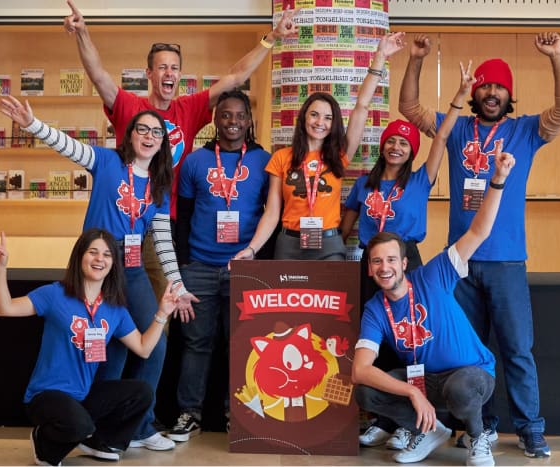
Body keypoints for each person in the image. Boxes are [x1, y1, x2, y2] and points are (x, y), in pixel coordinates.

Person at [398, 32, 560, 458]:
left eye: (500, 86)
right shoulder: (456, 127)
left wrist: (557, 58)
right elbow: (410, 109)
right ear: (474, 91)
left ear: (509, 95)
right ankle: (483, 426)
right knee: (467, 352)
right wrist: (417, 59)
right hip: (460, 262)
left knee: (516, 349)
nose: (491, 92)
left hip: (507, 262)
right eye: (485, 85)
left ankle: (531, 429)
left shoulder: (525, 131)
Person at [63, 0, 298, 304]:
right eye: (162, 67)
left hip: (163, 221)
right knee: (109, 300)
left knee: (165, 302)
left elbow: (235, 78)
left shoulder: (189, 108)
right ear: (149, 73)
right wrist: (83, 33)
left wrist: (272, 37)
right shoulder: (129, 106)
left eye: (174, 68)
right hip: (123, 220)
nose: (168, 73)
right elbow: (98, 75)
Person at [0, 96, 198, 451]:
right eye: (143, 129)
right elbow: (68, 146)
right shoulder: (107, 161)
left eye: (157, 132)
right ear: (130, 135)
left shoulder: (159, 182)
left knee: (155, 346)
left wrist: (178, 285)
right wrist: (32, 124)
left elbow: (163, 240)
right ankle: (95, 431)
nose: (149, 136)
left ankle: (138, 426)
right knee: (111, 348)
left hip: (133, 267)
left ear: (164, 143)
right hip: (100, 261)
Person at [352, 146, 516, 466]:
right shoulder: (376, 308)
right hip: (425, 381)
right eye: (377, 262)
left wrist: (497, 180)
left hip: (471, 374)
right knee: (366, 393)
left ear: (403, 262)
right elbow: (360, 369)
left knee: (462, 387)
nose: (385, 268)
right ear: (369, 269)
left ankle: (477, 436)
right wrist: (412, 393)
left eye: (390, 260)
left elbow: (479, 231)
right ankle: (428, 430)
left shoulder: (434, 275)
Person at [342, 61, 476, 451]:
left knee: (413, 339)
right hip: (371, 263)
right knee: (377, 343)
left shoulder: (420, 179)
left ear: (411, 150)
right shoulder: (364, 185)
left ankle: (418, 420)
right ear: (383, 145)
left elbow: (442, 137)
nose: (397, 145)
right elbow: (344, 229)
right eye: (391, 140)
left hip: (408, 264)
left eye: (404, 142)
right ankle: (389, 419)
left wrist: (458, 97)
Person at [0, 228, 181, 466]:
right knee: (79, 424)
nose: (100, 259)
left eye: (107, 254)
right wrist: (0, 269)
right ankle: (43, 442)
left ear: (113, 264)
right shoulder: (55, 294)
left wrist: (161, 314)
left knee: (141, 393)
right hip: (47, 395)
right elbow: (5, 308)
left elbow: (143, 348)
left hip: (83, 396)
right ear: (80, 257)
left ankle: (95, 440)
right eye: (93, 252)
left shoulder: (115, 309)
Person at [233, 32, 406, 262]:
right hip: (289, 245)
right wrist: (252, 249)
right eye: (314, 115)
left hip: (329, 244)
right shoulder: (281, 158)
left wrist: (380, 57)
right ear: (304, 118)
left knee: (333, 299)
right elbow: (273, 212)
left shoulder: (340, 155)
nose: (319, 122)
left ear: (334, 124)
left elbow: (362, 107)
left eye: (327, 117)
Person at [169, 90, 271, 441]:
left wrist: (260, 262)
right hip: (198, 266)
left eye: (240, 116)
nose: (232, 122)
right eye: (225, 115)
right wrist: (182, 266)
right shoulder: (195, 161)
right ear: (215, 119)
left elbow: (269, 215)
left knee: (243, 344)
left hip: (242, 268)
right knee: (196, 344)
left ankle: (238, 413)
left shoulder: (263, 161)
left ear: (248, 120)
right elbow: (181, 217)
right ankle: (189, 413)